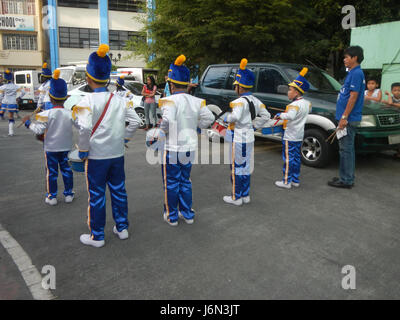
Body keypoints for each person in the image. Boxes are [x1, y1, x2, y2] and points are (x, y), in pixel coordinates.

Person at [73, 44, 141, 248]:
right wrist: (125, 140)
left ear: (88, 77)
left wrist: (83, 149)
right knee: (119, 191)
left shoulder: (85, 101)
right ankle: (122, 228)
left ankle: (97, 236)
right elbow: (136, 122)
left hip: (96, 157)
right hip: (117, 154)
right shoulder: (119, 99)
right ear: (107, 78)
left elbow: (84, 129)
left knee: (97, 195)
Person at [157, 54, 214, 226]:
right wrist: (196, 127)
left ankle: (172, 216)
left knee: (171, 182)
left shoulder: (168, 100)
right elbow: (209, 118)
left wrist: (161, 132)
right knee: (185, 180)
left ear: (171, 83)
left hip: (172, 148)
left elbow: (166, 121)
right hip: (189, 146)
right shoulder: (197, 101)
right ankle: (187, 214)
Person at [21, 70, 75, 206]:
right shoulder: (71, 114)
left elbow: (38, 129)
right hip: (66, 147)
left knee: (51, 173)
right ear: (66, 98)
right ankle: (69, 194)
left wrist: (28, 123)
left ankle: (52, 197)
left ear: (50, 98)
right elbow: (83, 126)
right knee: (67, 170)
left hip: (50, 148)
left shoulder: (45, 114)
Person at [222, 58, 271, 205]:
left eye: (236, 85)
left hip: (239, 138)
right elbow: (266, 116)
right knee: (246, 166)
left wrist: (226, 118)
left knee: (237, 166)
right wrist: (254, 125)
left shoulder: (239, 102)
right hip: (250, 137)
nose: (234, 88)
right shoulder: (256, 100)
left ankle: (236, 197)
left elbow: (235, 117)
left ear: (240, 87)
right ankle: (245, 194)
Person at [328, 46, 365, 189]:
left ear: (354, 58)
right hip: (346, 118)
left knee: (346, 149)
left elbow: (353, 96)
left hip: (348, 119)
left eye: (346, 57)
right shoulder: (352, 73)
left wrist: (344, 117)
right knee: (346, 149)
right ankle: (346, 176)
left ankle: (346, 180)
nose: (344, 59)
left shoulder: (356, 73)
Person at [273, 68, 312, 189]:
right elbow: (307, 112)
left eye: (290, 90)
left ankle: (286, 181)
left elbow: (290, 116)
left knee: (288, 159)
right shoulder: (307, 103)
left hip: (290, 136)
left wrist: (280, 115)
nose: (288, 92)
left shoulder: (293, 105)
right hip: (299, 135)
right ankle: (295, 179)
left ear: (297, 92)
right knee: (296, 158)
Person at [0, 70, 26, 136]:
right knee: (11, 117)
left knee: (1, 112)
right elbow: (24, 92)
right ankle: (11, 132)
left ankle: (2, 116)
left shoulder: (3, 87)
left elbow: (0, 96)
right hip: (12, 102)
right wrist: (19, 97)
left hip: (4, 102)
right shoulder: (16, 86)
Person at [382, 82, 400, 160]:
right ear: (392, 91)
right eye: (395, 90)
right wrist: (389, 96)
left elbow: (392, 104)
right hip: (395, 120)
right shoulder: (392, 98)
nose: (397, 92)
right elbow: (388, 103)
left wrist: (391, 103)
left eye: (399, 90)